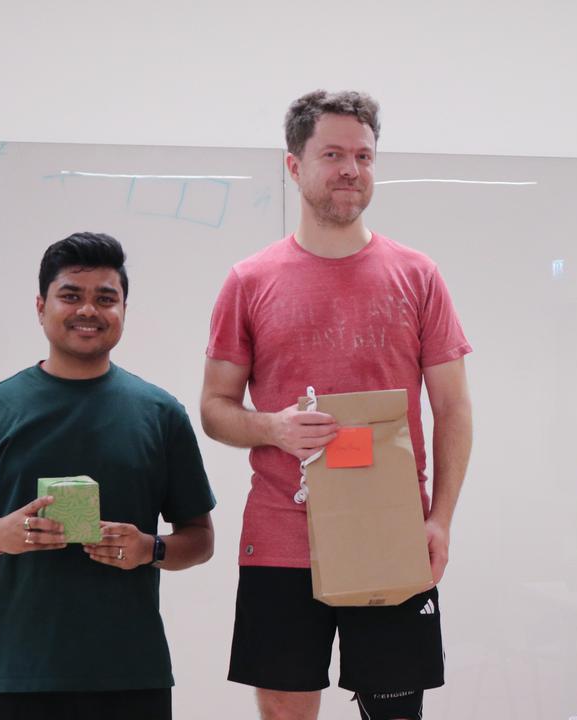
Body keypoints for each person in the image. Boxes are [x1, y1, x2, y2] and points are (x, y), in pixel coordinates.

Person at [201, 89, 473, 720]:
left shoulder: (418, 275)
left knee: (394, 712)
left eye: (364, 155)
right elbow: (215, 407)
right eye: (333, 154)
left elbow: (453, 410)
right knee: (287, 710)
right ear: (294, 166)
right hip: (280, 539)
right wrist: (272, 427)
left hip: (391, 531)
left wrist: (440, 520)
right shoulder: (250, 281)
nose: (351, 169)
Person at [0, 232, 217, 720]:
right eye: (71, 296)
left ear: (123, 309)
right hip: (15, 677)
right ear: (41, 306)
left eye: (106, 298)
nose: (88, 311)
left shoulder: (160, 414)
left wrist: (150, 548)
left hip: (130, 675)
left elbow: (200, 539)